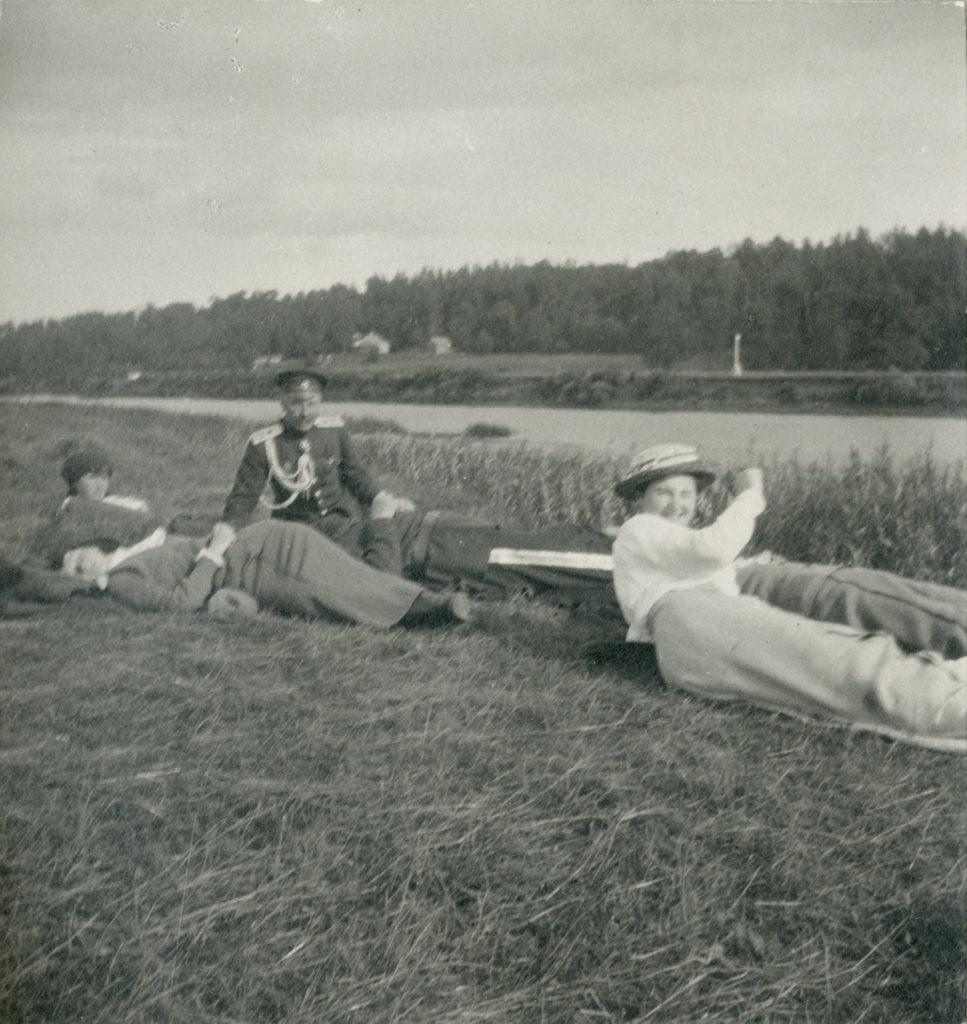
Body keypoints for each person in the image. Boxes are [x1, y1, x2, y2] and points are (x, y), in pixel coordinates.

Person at [610, 443, 967, 752]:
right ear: (638, 499)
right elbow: (713, 549)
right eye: (664, 493)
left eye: (686, 494)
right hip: (688, 618)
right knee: (826, 657)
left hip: (696, 622)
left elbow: (710, 562)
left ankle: (941, 691)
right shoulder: (638, 528)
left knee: (824, 653)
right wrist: (750, 495)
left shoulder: (665, 542)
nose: (677, 505)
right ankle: (946, 702)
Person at [59, 518, 472, 629]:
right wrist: (214, 553)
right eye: (76, 572)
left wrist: (216, 546)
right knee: (327, 592)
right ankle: (422, 608)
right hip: (249, 564)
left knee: (338, 580)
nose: (83, 570)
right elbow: (178, 604)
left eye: (79, 558)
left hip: (261, 549)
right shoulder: (119, 581)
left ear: (97, 548)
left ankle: (423, 606)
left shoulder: (134, 552)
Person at [217, 368, 411, 561]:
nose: (305, 413)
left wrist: (382, 498)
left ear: (320, 401)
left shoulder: (335, 431)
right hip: (297, 530)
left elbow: (357, 475)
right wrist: (228, 528)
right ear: (282, 403)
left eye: (312, 403)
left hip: (343, 521)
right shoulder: (264, 443)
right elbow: (244, 496)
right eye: (296, 404)